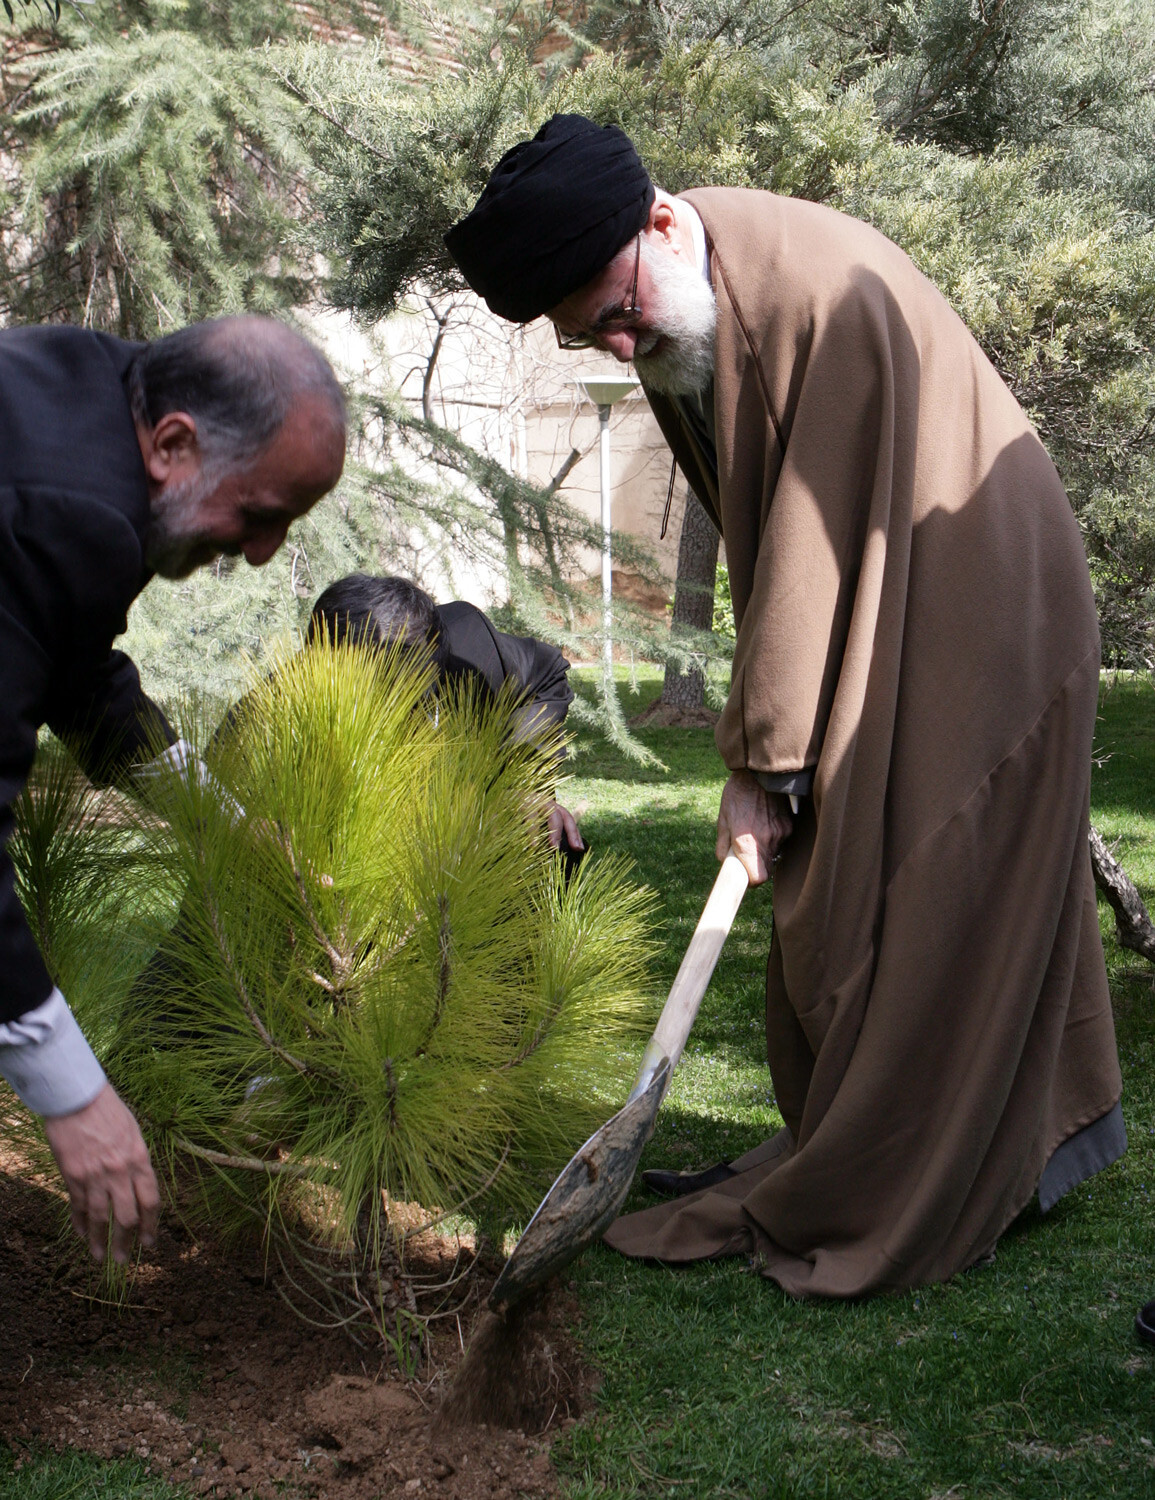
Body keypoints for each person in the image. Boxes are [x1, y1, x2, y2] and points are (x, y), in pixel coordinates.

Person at [442, 114, 1125, 1297]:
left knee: (912, 893)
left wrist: (766, 764)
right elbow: (786, 547)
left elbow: (808, 545)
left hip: (979, 611)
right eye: (587, 335)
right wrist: (774, 752)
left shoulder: (811, 296)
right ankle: (902, 1144)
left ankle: (913, 1175)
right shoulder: (694, 309)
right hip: (881, 603)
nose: (617, 345)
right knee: (855, 896)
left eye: (614, 314)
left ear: (662, 223)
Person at [0, 315, 346, 1266]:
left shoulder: (94, 399)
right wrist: (74, 1095)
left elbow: (85, 685)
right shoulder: (69, 509)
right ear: (174, 444)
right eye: (261, 513)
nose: (266, 552)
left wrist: (227, 827)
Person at [306, 573, 583, 853]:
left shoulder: (470, 644)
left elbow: (545, 672)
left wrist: (522, 782)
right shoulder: (301, 691)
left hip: (482, 807)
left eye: (401, 681)